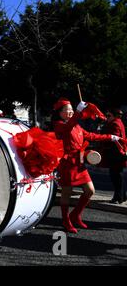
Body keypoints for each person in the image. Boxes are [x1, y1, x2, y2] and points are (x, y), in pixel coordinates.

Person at [52, 98, 119, 233]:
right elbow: (68, 126)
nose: (70, 112)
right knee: (67, 192)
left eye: (71, 110)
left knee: (90, 191)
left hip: (79, 163)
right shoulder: (59, 125)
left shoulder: (77, 126)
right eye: (67, 110)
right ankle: (65, 220)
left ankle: (75, 215)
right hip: (67, 164)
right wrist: (78, 112)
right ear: (60, 113)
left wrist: (110, 137)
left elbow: (92, 136)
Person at [101, 108, 126, 204]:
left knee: (115, 176)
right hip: (117, 154)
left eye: (108, 116)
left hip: (114, 154)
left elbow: (114, 139)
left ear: (114, 116)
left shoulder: (115, 123)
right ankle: (122, 197)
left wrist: (104, 140)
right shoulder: (119, 122)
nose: (107, 118)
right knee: (118, 175)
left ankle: (118, 197)